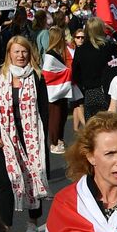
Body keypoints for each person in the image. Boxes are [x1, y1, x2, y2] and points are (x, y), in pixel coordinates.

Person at [0, 36, 50, 232]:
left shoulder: (37, 76)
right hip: (4, 137)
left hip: (31, 136)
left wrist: (41, 139)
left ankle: (32, 222)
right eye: (16, 52)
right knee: (6, 181)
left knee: (34, 177)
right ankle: (6, 226)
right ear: (9, 54)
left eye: (24, 52)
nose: (21, 56)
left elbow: (44, 109)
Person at [70, 18, 114, 125]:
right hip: (106, 90)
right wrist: (113, 32)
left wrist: (83, 86)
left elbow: (75, 72)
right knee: (108, 125)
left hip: (89, 92)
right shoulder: (107, 47)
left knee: (92, 128)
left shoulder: (80, 50)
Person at [40, 26, 76, 154]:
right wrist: (67, 72)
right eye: (62, 38)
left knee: (62, 116)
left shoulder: (56, 53)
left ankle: (59, 139)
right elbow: (48, 74)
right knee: (55, 118)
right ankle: (54, 142)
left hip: (60, 92)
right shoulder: (50, 55)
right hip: (54, 93)